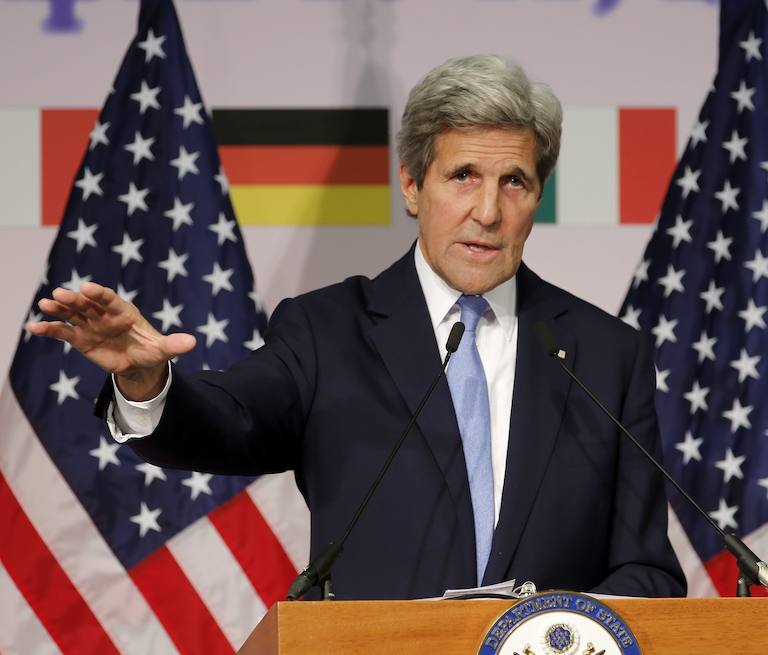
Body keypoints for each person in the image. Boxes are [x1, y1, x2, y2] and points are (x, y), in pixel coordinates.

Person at [29, 55, 686, 600]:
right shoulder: (328, 330)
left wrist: (555, 629)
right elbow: (231, 420)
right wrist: (147, 380)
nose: (488, 210)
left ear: (537, 196)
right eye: (463, 176)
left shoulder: (607, 354)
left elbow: (648, 571)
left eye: (513, 181)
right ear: (411, 184)